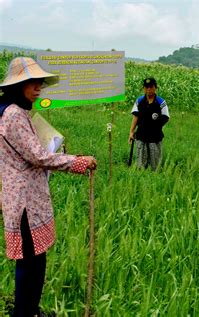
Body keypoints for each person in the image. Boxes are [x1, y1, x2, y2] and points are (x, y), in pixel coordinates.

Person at [0, 57, 97, 316]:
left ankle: (30, 309)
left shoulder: (19, 112)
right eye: (31, 82)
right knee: (29, 262)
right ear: (16, 86)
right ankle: (23, 312)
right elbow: (38, 157)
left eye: (39, 81)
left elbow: (32, 152)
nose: (38, 86)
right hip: (24, 202)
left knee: (35, 260)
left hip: (29, 198)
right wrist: (77, 162)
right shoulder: (13, 116)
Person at [128, 77, 170, 171]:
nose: (149, 89)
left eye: (151, 87)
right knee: (140, 165)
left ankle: (154, 177)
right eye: (146, 87)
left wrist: (157, 126)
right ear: (144, 88)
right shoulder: (139, 101)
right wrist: (131, 132)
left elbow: (166, 117)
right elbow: (135, 116)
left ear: (155, 87)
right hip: (141, 136)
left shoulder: (161, 102)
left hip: (155, 137)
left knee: (155, 165)